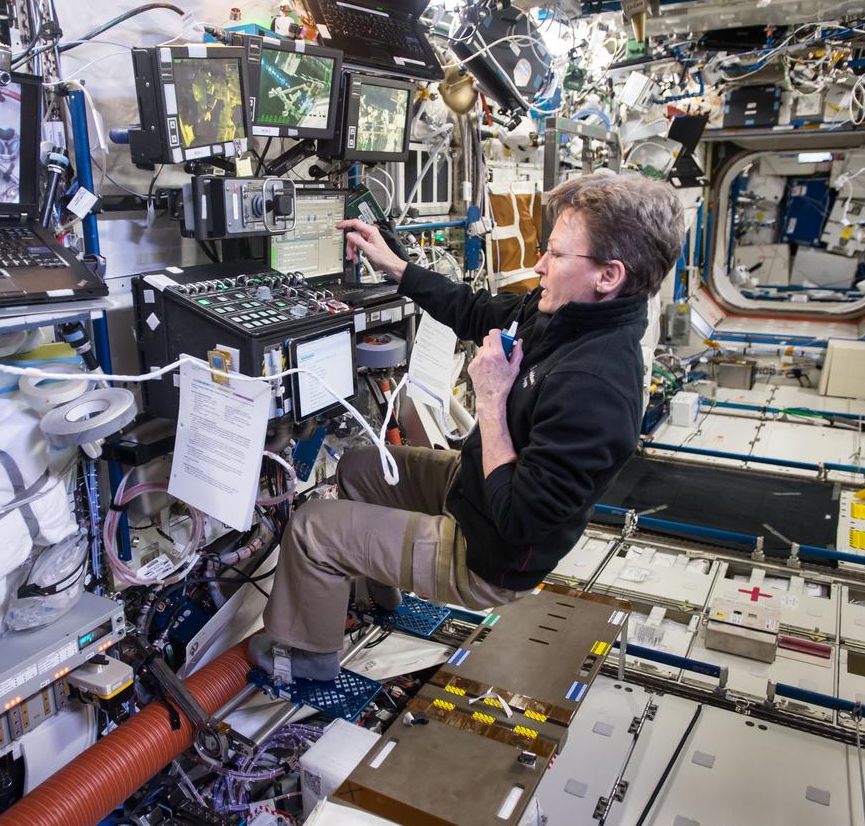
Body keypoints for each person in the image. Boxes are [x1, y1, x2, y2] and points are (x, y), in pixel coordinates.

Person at [250, 171, 686, 681]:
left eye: (557, 255)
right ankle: (376, 599)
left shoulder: (600, 386)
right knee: (360, 467)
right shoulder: (569, 312)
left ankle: (303, 659)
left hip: (488, 555)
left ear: (608, 275)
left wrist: (492, 398)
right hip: (474, 491)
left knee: (309, 530)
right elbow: (478, 310)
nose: (540, 265)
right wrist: (397, 267)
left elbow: (518, 520)